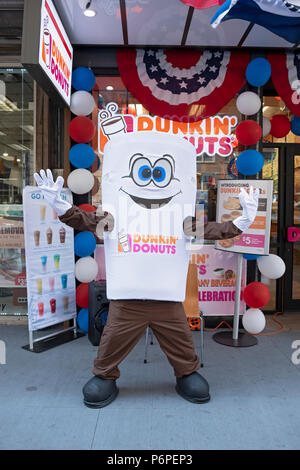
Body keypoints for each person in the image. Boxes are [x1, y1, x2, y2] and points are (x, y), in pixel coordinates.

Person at [34, 132, 258, 408]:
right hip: (127, 299)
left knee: (181, 344)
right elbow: (86, 221)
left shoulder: (181, 220)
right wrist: (61, 206)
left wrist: (244, 220)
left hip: (167, 298)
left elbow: (214, 230)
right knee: (112, 342)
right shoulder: (115, 216)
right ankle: (105, 375)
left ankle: (186, 372)